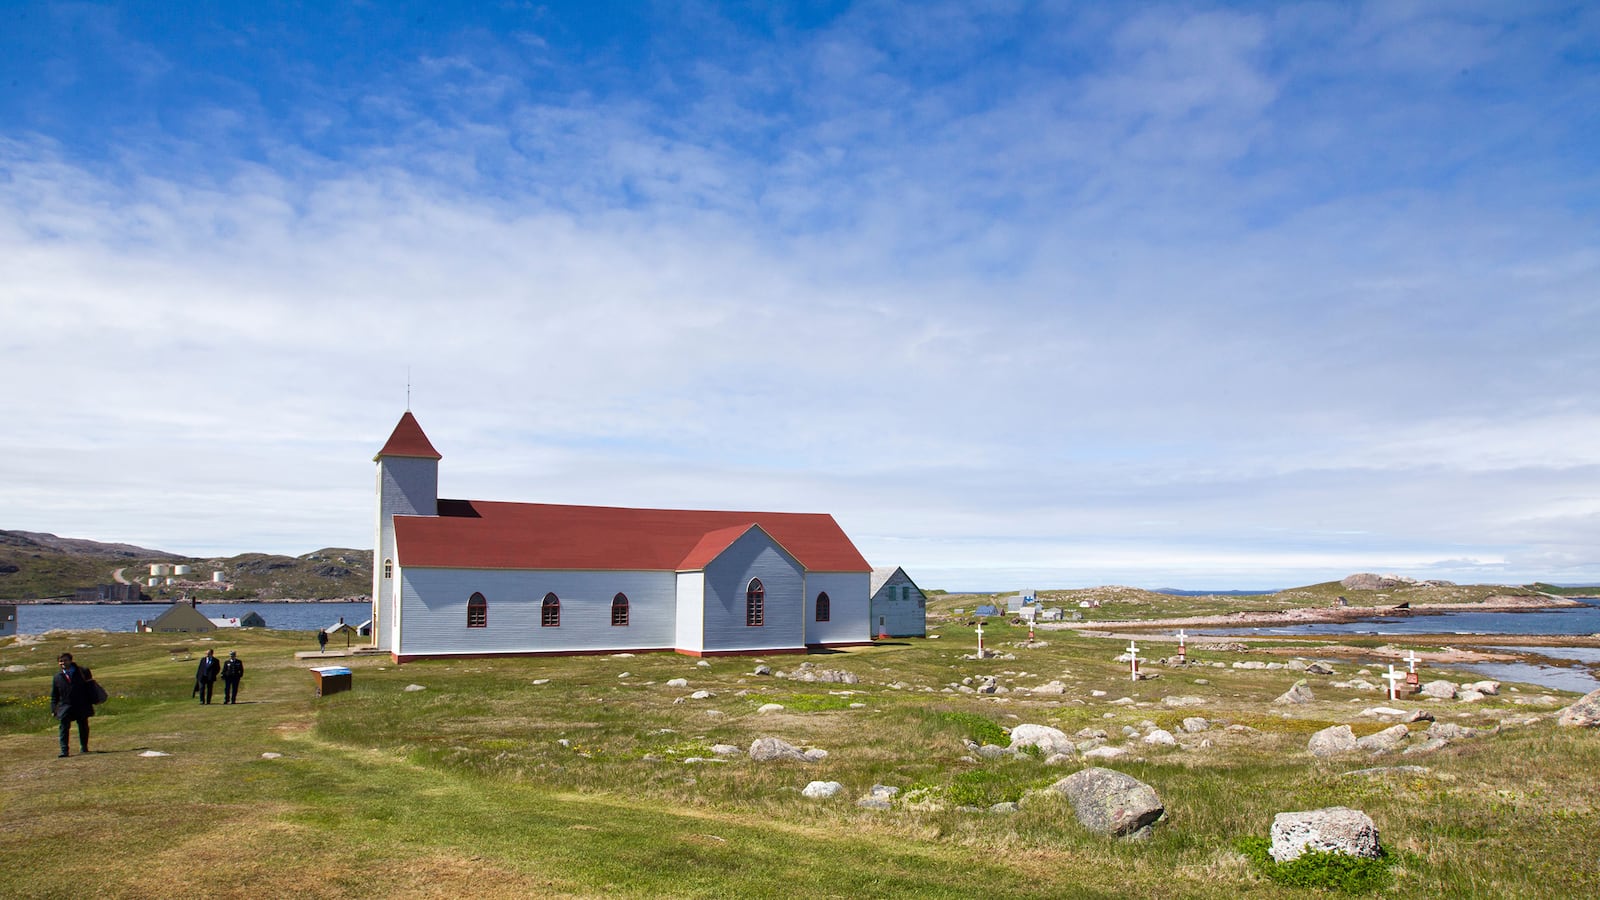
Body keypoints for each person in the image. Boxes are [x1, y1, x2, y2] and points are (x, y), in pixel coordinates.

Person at [51, 652, 95, 757]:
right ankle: (64, 750)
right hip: (65, 706)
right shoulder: (57, 677)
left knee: (83, 726)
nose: (63, 663)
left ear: (71, 660)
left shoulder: (82, 672)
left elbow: (90, 687)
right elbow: (54, 695)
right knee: (63, 728)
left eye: (65, 660)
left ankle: (84, 747)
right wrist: (53, 709)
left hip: (81, 704)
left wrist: (92, 700)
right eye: (61, 661)